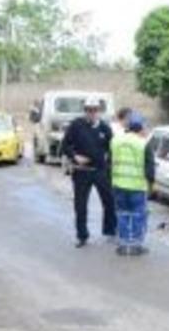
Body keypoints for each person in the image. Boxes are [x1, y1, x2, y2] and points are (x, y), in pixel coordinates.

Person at [61, 97, 117, 247]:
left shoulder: (105, 128)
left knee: (109, 202)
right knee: (80, 205)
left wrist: (109, 165)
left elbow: (112, 149)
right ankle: (82, 236)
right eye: (88, 110)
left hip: (100, 171)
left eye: (94, 110)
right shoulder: (76, 125)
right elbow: (65, 145)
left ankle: (110, 231)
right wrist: (75, 156)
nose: (91, 113)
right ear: (84, 110)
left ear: (99, 111)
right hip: (81, 172)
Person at [110, 113, 155, 256]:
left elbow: (109, 162)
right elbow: (149, 169)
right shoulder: (143, 144)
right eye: (145, 127)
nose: (146, 130)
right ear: (140, 127)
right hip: (137, 186)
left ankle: (123, 245)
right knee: (138, 215)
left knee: (122, 214)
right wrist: (151, 185)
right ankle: (136, 246)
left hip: (118, 185)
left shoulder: (115, 141)